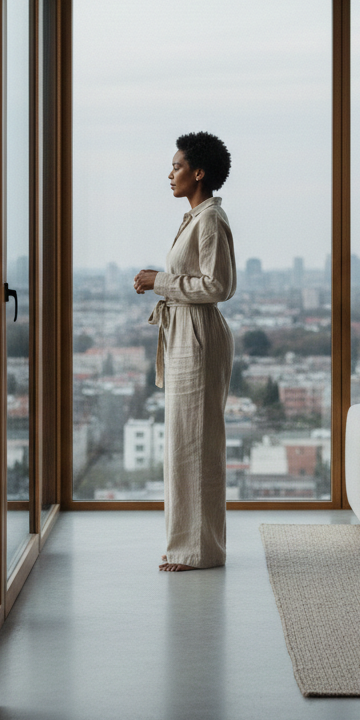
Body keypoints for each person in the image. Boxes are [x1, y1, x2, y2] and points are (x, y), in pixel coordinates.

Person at [134, 132, 236, 572]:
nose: (170, 173)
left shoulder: (211, 219)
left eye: (177, 166)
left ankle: (199, 550)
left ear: (198, 173)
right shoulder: (194, 217)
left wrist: (158, 281)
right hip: (184, 333)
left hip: (197, 335)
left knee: (195, 441)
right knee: (183, 441)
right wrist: (159, 284)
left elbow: (219, 286)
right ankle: (187, 543)